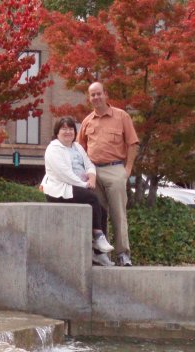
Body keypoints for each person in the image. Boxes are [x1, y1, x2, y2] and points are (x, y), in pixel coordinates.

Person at [77, 82, 139, 266]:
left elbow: (133, 143)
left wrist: (127, 170)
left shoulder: (122, 116)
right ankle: (101, 255)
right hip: (93, 171)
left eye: (98, 94)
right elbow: (80, 149)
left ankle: (123, 254)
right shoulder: (87, 121)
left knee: (118, 213)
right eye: (92, 95)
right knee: (98, 214)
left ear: (106, 94)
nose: (96, 97)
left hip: (115, 169)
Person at [41, 117, 115, 265]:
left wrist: (92, 178)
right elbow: (64, 174)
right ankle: (98, 236)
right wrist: (84, 184)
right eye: (64, 129)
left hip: (78, 185)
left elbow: (89, 165)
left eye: (70, 129)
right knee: (92, 199)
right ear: (57, 132)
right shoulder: (53, 149)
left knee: (102, 210)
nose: (68, 132)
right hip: (60, 189)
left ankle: (98, 254)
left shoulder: (77, 147)